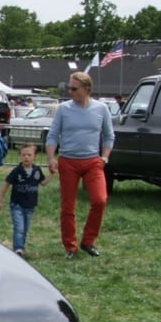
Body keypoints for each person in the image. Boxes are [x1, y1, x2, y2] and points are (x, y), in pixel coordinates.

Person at [46, 71, 115, 259]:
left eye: (74, 88)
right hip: (68, 160)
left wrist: (104, 157)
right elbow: (53, 135)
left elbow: (109, 136)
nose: (70, 91)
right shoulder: (63, 109)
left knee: (100, 200)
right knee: (68, 206)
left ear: (86, 89)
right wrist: (51, 159)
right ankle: (70, 246)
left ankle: (88, 241)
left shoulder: (101, 109)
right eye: (69, 88)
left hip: (92, 161)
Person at [0, 142, 48, 256]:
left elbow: (43, 182)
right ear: (20, 156)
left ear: (34, 156)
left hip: (30, 205)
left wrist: (51, 174)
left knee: (25, 228)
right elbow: (6, 184)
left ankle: (21, 246)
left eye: (29, 155)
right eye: (23, 155)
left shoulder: (37, 170)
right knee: (19, 227)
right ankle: (17, 248)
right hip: (17, 204)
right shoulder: (17, 171)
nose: (26, 157)